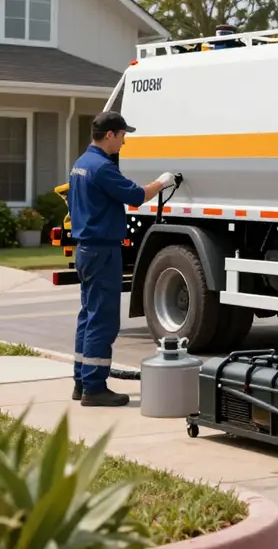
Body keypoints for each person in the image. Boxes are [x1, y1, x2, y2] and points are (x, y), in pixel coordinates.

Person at [68, 111, 177, 407]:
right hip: (102, 249)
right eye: (123, 136)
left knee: (88, 315)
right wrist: (162, 183)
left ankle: (81, 381)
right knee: (103, 319)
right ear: (110, 135)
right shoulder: (102, 168)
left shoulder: (80, 164)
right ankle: (94, 388)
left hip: (86, 248)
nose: (124, 143)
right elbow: (136, 196)